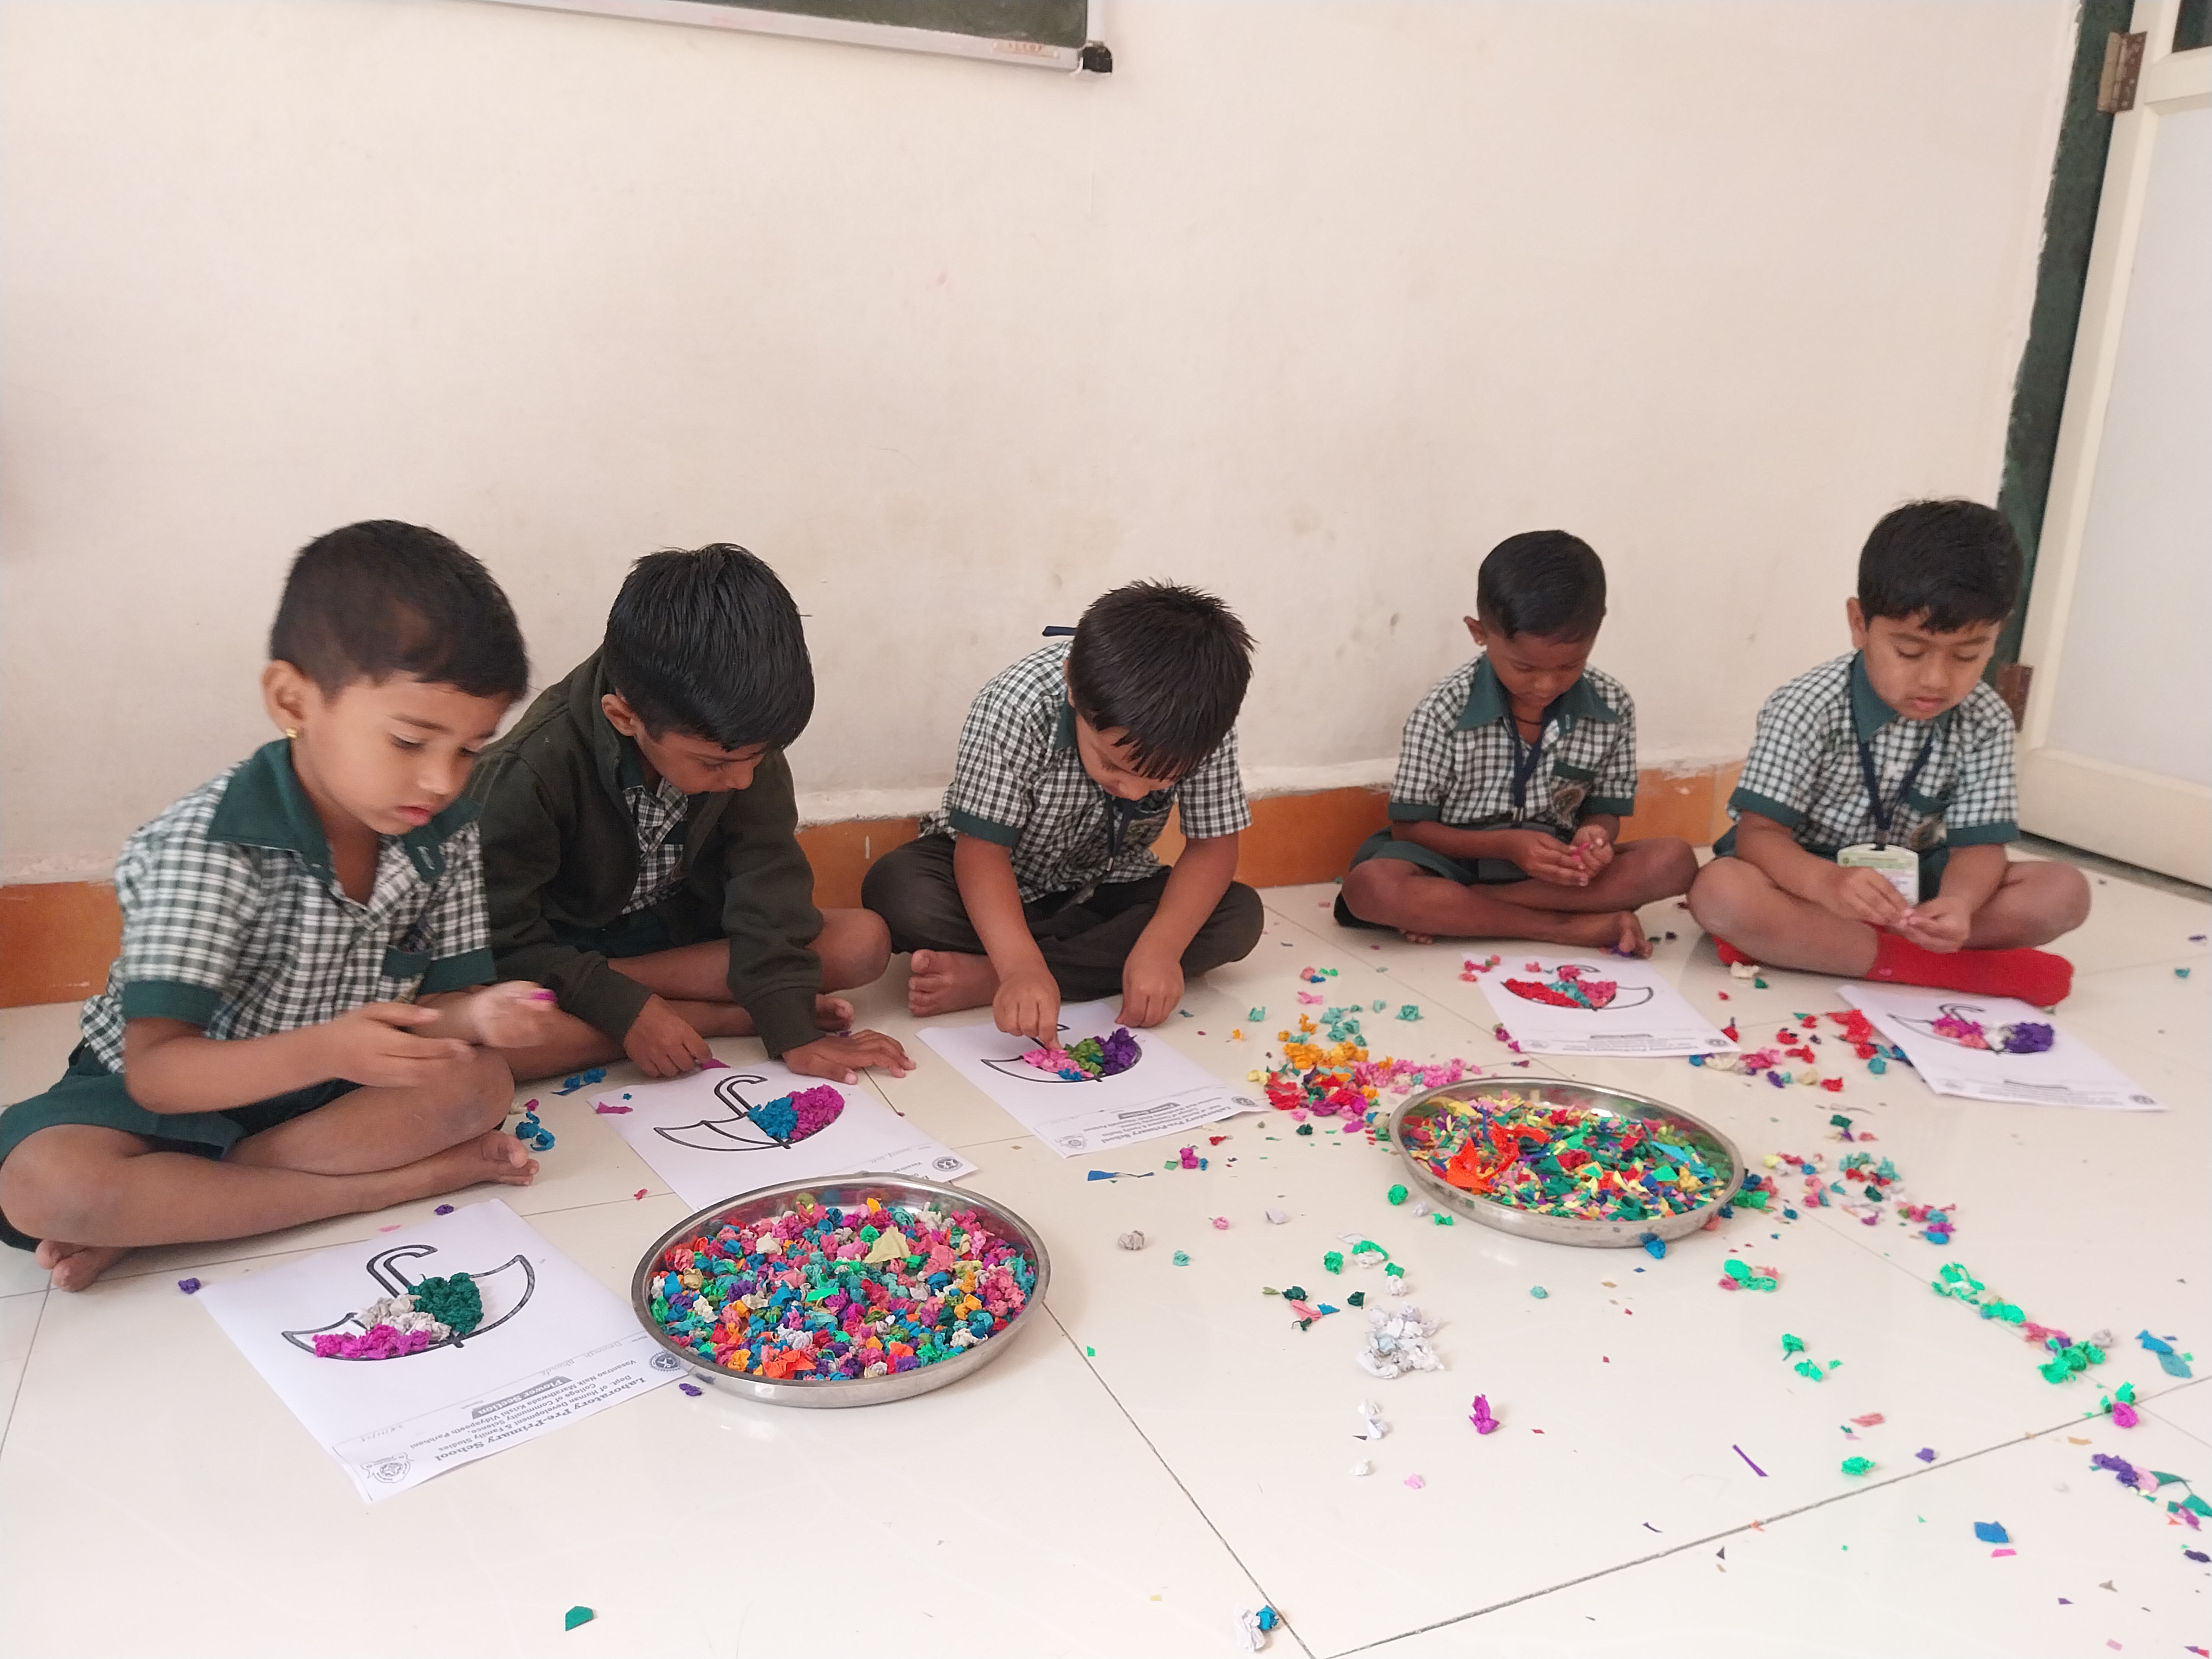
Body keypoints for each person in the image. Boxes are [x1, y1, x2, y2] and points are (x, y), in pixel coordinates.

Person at [0, 522, 563, 1291]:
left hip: (335, 1093)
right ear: (292, 700)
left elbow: (438, 1014)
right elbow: (159, 1074)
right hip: (182, 1091)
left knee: (481, 1084)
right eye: (409, 741)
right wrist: (328, 1050)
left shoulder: (445, 831)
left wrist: (477, 1016)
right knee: (48, 1186)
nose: (442, 780)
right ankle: (402, 1183)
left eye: (469, 749)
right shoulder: (207, 845)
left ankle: (173, 1213)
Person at [471, 545, 909, 1083]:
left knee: (862, 942)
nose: (743, 780)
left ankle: (663, 1008)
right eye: (716, 764)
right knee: (493, 1043)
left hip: (676, 943)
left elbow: (768, 880)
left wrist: (793, 1028)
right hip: (562, 954)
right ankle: (714, 1018)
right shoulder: (529, 769)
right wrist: (621, 1007)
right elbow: (502, 939)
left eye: (757, 759)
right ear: (624, 717)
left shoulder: (740, 741)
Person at [1688, 499, 2089, 1002]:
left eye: (1967, 656)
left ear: (1996, 637)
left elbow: (1978, 848)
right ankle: (1944, 969)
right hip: (1806, 882)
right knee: (1721, 892)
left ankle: (1834, 948)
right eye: (1909, 652)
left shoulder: (1986, 719)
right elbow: (1759, 836)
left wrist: (1960, 905)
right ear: (1859, 623)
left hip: (1915, 891)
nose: (1936, 679)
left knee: (2063, 894)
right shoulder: (1805, 706)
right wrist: (1828, 883)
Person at [863, 582, 1264, 1045]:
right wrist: (1020, 964)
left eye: (1159, 782)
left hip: (1108, 884)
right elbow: (982, 854)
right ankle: (1041, 964)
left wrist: (1161, 949)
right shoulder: (1014, 705)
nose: (1133, 791)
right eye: (1112, 765)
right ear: (1074, 686)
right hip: (1001, 879)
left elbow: (1212, 848)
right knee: (900, 892)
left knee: (1239, 916)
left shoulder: (1202, 725)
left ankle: (992, 976)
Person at [1336, 530, 1696, 953]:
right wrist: (1506, 845)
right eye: (1524, 668)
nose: (1546, 685)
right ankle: (1562, 927)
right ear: (1479, 632)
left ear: (1597, 629)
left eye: (1570, 666)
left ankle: (1462, 911)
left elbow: (1605, 811)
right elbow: (1410, 828)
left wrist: (1594, 836)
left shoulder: (1612, 706)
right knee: (1372, 887)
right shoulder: (1442, 710)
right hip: (1450, 862)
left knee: (1674, 862)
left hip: (1552, 870)